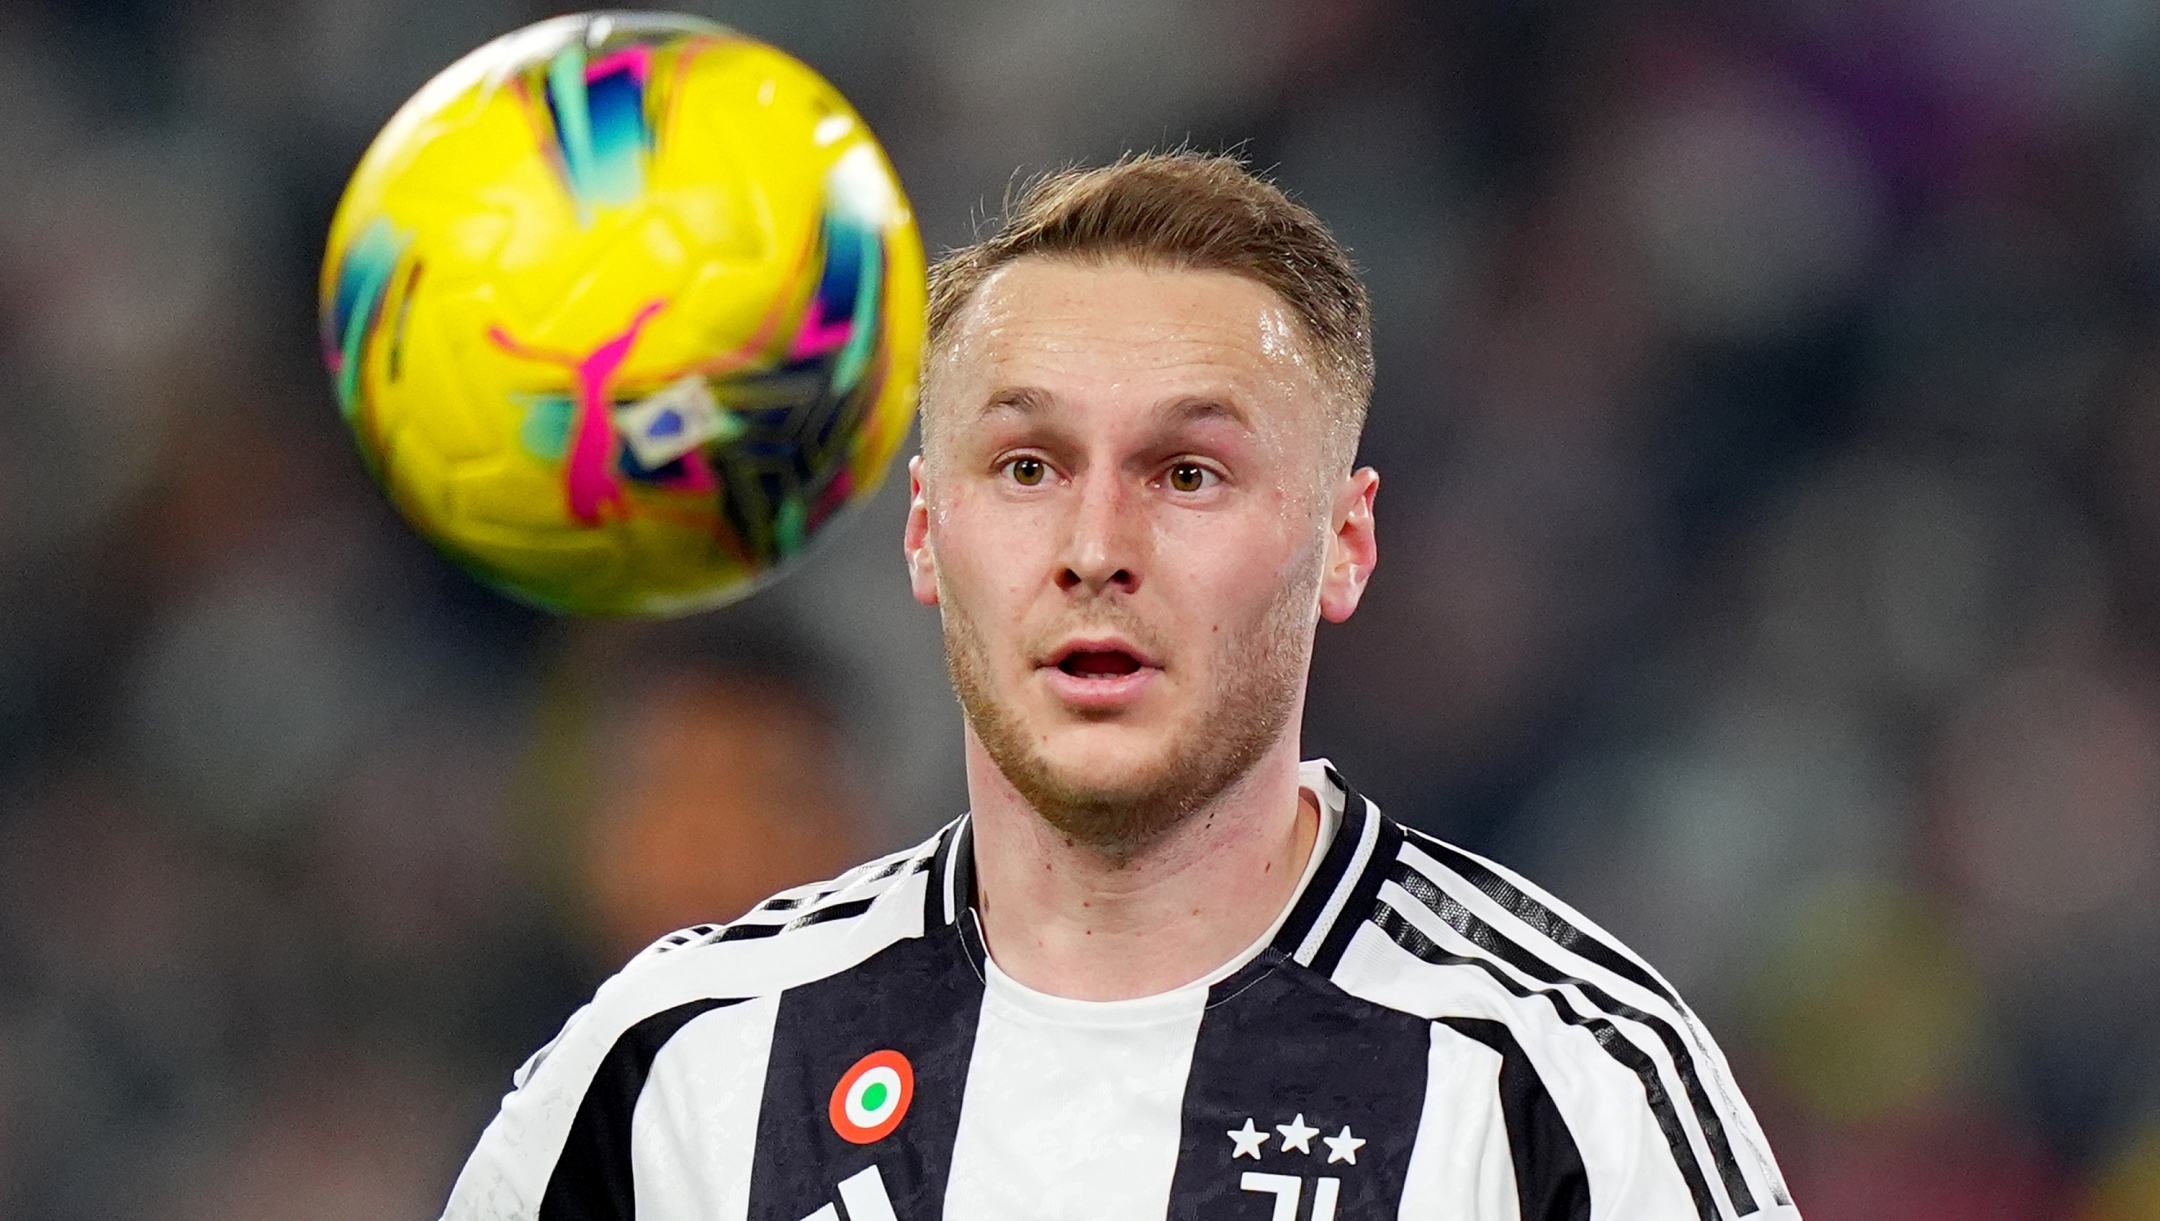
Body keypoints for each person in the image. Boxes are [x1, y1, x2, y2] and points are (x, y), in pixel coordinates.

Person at [440, 152, 1799, 1221]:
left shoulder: (1554, 1080)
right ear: (926, 531)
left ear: (1345, 541)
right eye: (1028, 467)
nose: (1097, 550)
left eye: (1188, 473)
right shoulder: (671, 1067)